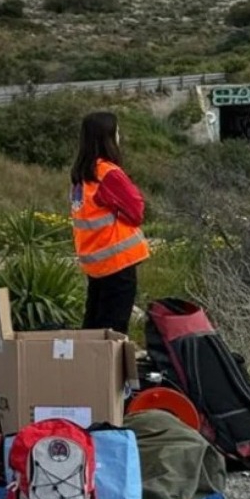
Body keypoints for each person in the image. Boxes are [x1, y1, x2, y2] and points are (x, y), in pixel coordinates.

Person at [69, 110, 149, 335]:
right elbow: (136, 211)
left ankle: (88, 369)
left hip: (96, 264)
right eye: (117, 132)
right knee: (113, 332)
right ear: (108, 138)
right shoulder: (109, 174)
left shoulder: (81, 176)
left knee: (94, 327)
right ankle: (107, 371)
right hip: (118, 263)